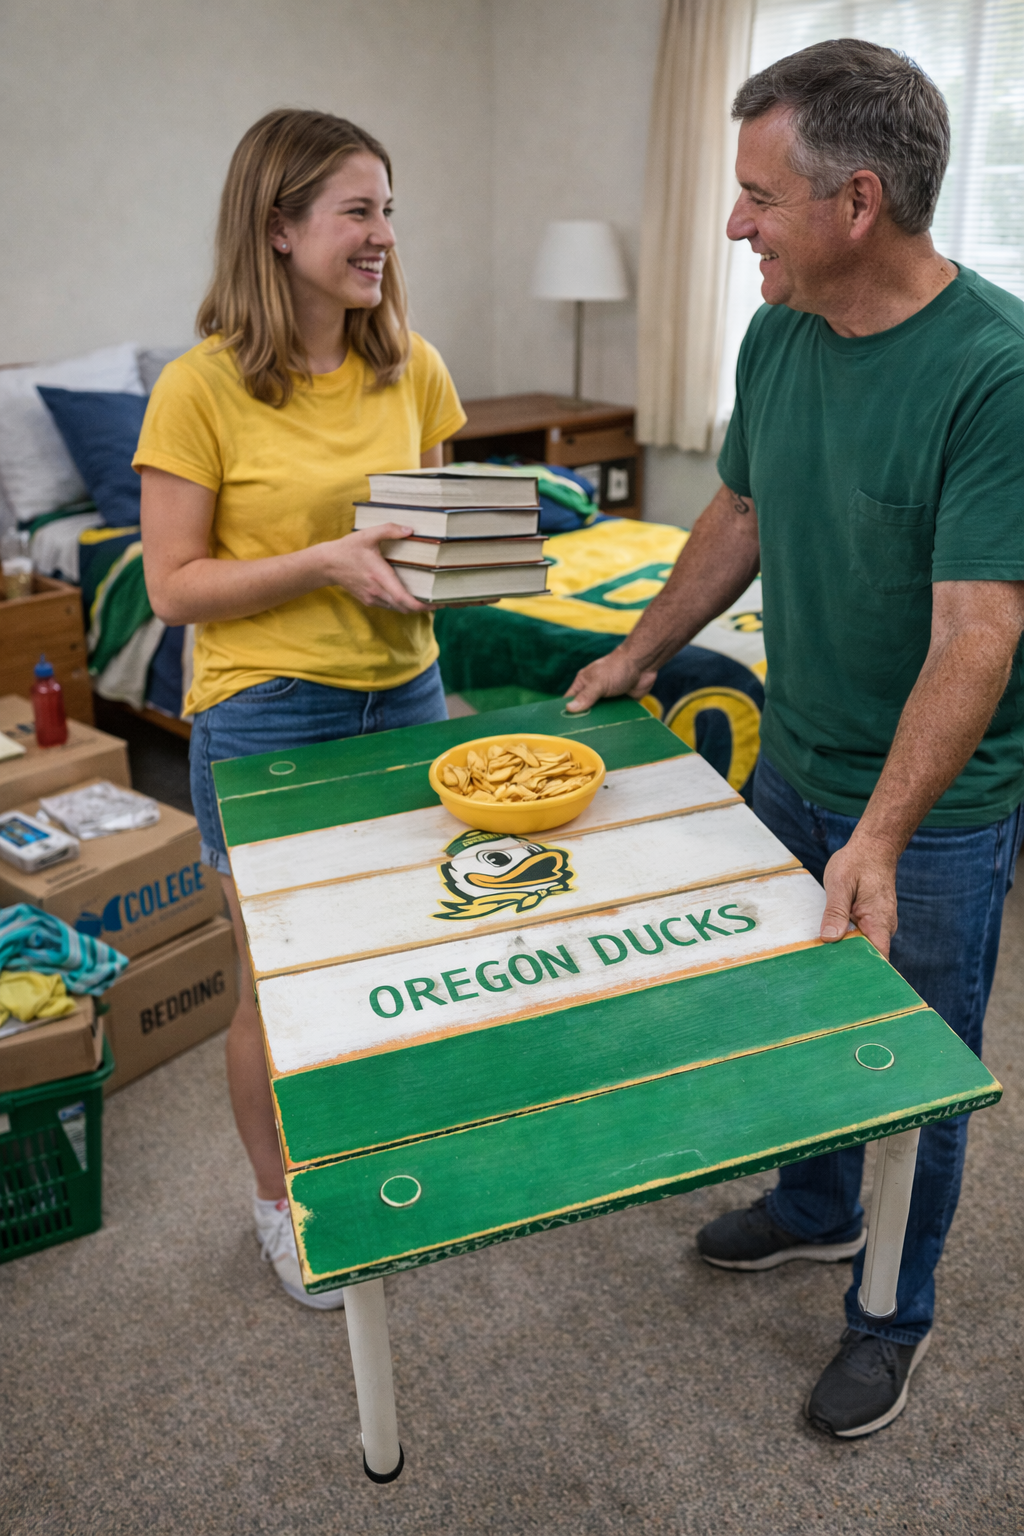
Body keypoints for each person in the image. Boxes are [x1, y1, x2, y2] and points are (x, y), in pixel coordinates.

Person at [566, 39, 1024, 1437]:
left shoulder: (994, 372)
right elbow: (741, 517)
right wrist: (635, 655)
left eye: (758, 197)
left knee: (910, 1061)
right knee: (787, 1016)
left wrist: (882, 834)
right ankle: (821, 1207)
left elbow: (977, 632)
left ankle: (893, 1310)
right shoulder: (777, 330)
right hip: (795, 759)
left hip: (932, 811)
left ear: (858, 203)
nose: (731, 225)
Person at [135, 109, 466, 1309]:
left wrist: (466, 559)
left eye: (387, 209)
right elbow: (172, 588)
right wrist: (325, 560)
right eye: (356, 212)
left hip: (408, 693)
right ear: (279, 229)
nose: (382, 235)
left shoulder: (409, 362)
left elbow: (424, 537)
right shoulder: (200, 389)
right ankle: (280, 1205)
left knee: (390, 956)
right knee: (274, 985)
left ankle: (370, 1153)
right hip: (271, 711)